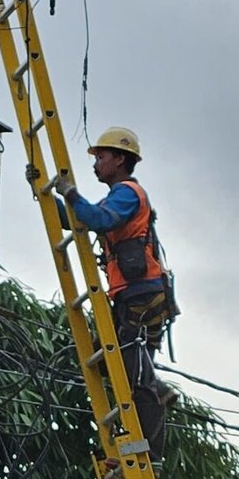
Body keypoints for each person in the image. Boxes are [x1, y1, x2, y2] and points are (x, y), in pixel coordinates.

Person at [55, 127, 175, 460]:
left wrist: (72, 195)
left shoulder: (126, 193)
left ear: (119, 159)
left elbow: (96, 219)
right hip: (135, 294)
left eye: (102, 157)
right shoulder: (118, 195)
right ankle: (138, 444)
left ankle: (148, 453)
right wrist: (46, 194)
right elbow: (79, 219)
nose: (96, 164)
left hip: (141, 294)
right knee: (123, 368)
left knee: (136, 376)